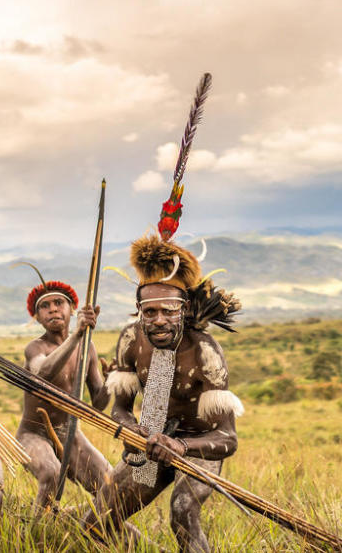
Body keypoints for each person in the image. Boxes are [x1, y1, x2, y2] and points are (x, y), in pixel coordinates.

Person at [85, 185, 243, 552]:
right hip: (150, 444)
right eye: (149, 311)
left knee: (183, 512)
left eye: (168, 310)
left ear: (184, 310)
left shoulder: (205, 352)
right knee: (96, 523)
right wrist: (133, 431)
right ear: (139, 310)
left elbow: (228, 439)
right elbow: (120, 409)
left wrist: (181, 446)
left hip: (198, 450)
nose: (158, 320)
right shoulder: (130, 340)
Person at [15, 269, 110, 515]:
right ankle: (37, 534)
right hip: (33, 435)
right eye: (45, 306)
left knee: (110, 485)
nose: (53, 309)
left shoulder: (87, 348)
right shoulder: (35, 347)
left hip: (71, 433)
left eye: (59, 303)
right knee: (51, 473)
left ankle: (74, 519)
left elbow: (98, 403)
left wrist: (111, 383)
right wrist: (77, 334)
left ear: (72, 310)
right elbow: (43, 373)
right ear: (37, 317)